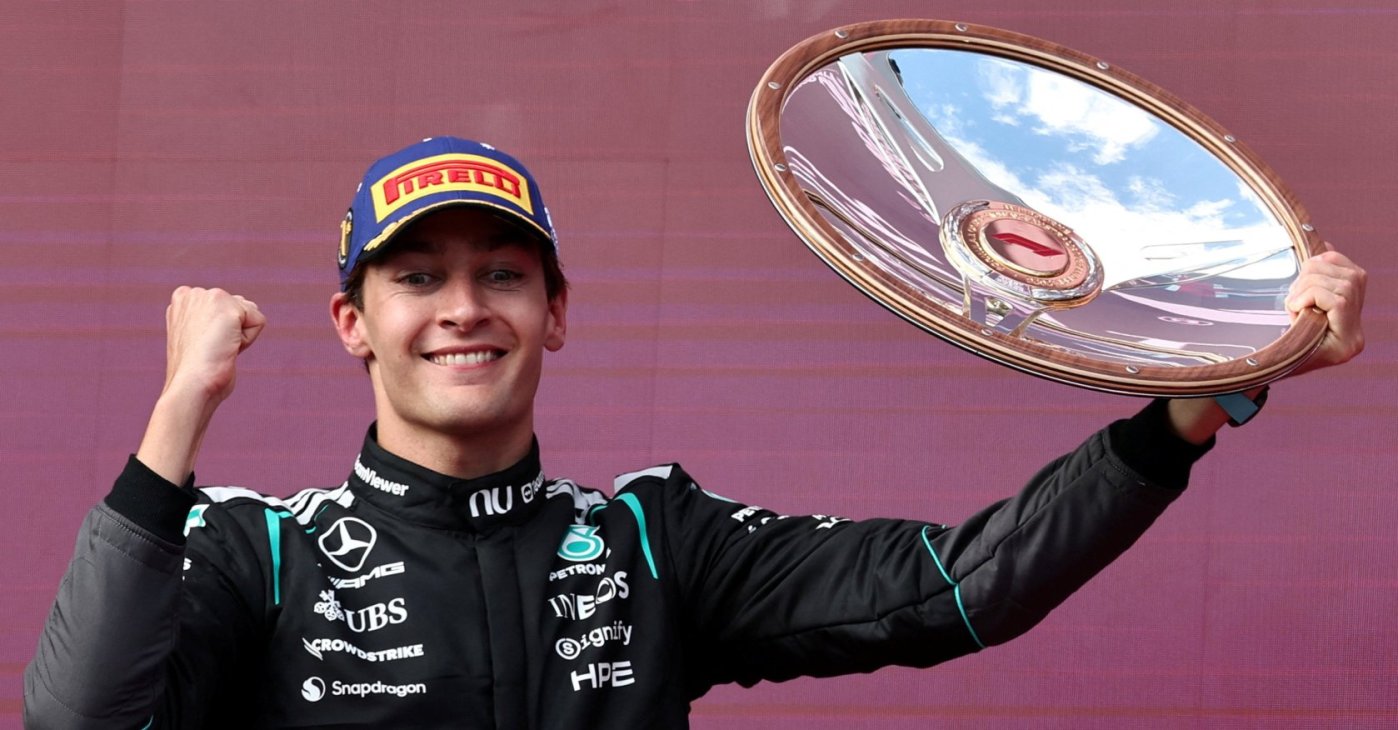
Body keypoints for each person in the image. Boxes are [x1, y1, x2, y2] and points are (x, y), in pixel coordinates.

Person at [24, 137, 1366, 729]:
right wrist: (177, 418)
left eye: (503, 275)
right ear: (352, 324)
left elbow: (967, 585)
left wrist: (1200, 399)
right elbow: (77, 717)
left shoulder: (652, 542)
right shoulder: (255, 551)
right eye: (418, 277)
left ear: (556, 314)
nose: (464, 308)